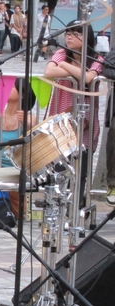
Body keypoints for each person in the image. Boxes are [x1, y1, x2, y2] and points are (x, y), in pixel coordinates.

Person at [44, 20, 103, 206]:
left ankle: (76, 207)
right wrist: (72, 69)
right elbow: (48, 72)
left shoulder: (96, 59)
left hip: (85, 121)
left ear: (87, 37)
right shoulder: (61, 53)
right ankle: (57, 206)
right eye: (68, 33)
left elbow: (88, 78)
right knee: (59, 168)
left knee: (80, 170)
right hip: (61, 119)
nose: (69, 37)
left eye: (75, 34)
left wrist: (64, 67)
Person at [0, 78, 36, 218]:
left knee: (17, 211)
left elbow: (31, 146)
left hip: (18, 168)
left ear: (22, 94)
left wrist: (27, 125)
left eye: (11, 87)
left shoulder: (30, 118)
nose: (6, 90)